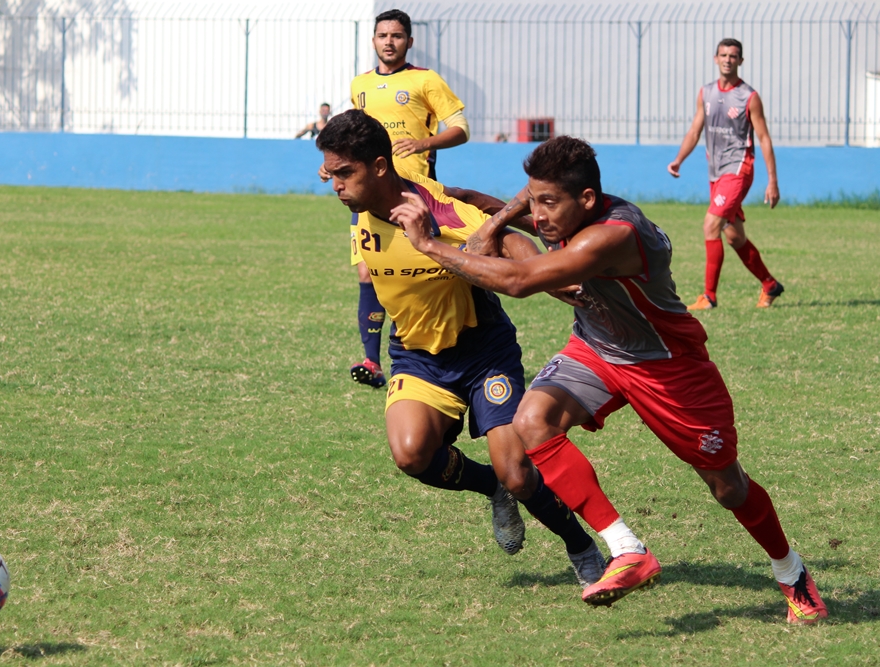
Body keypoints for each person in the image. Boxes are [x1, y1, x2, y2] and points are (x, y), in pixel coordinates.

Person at [396, 135, 827, 623]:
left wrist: (428, 243)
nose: (537, 217)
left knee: (728, 487)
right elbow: (493, 203)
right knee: (532, 421)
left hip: (666, 366)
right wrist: (490, 213)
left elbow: (518, 281)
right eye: (533, 200)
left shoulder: (613, 234)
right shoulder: (565, 210)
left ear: (585, 200)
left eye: (548, 203)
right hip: (596, 350)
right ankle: (626, 547)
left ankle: (791, 572)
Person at [315, 110, 608, 587]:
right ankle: (489, 487)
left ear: (380, 167)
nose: (336, 186)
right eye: (332, 174)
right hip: (416, 354)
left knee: (517, 471)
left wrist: (546, 278)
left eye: (345, 174)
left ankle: (581, 547)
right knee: (411, 454)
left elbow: (506, 237)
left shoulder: (433, 212)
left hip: (482, 350)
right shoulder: (362, 207)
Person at [323, 8, 471, 389]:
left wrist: (423, 142)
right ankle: (372, 361)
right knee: (367, 271)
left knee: (433, 272)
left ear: (409, 41)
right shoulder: (360, 85)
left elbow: (460, 129)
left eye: (397, 36)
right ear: (373, 40)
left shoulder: (426, 80)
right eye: (383, 35)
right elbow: (351, 135)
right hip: (371, 195)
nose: (389, 42)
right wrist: (335, 165)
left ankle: (442, 351)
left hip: (415, 193)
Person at [667, 38, 784, 311]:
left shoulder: (749, 97)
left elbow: (764, 138)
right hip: (716, 174)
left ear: (740, 61)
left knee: (710, 225)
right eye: (723, 55)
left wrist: (773, 181)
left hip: (738, 171)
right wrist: (678, 160)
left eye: (733, 56)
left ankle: (709, 297)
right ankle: (770, 285)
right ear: (715, 58)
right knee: (734, 237)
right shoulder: (705, 93)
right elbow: (695, 130)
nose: (728, 59)